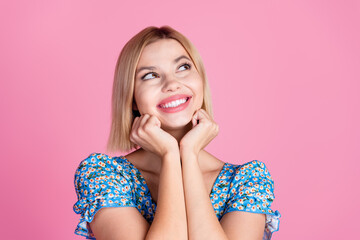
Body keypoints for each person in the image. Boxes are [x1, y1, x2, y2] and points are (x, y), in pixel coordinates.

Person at [73, 25, 281, 240]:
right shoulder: (104, 176)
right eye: (150, 75)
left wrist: (189, 154)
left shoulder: (247, 181)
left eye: (183, 67)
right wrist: (170, 155)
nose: (172, 84)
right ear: (132, 98)